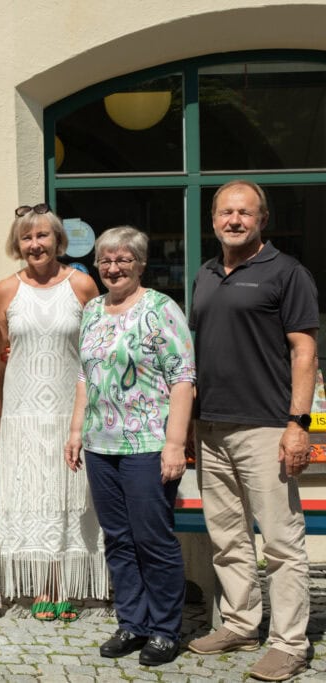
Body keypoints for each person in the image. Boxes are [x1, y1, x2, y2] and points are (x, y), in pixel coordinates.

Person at [187, 180, 319, 682]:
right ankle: (241, 622)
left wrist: (297, 424)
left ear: (262, 219)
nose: (234, 220)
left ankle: (290, 643)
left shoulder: (287, 273)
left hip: (266, 426)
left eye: (245, 212)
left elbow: (303, 352)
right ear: (214, 219)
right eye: (226, 212)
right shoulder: (204, 274)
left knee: (282, 543)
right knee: (227, 537)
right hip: (212, 425)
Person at [64, 226, 194, 666]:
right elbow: (87, 374)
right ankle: (132, 622)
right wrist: (77, 430)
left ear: (140, 264)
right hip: (101, 445)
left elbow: (183, 378)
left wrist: (175, 443)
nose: (113, 267)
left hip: (147, 444)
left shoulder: (161, 308)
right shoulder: (93, 310)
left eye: (123, 260)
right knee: (117, 539)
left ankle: (164, 629)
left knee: (152, 538)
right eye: (105, 260)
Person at [0, 203, 105, 623]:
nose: (35, 244)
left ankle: (65, 584)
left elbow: (95, 353)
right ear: (17, 244)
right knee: (31, 495)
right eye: (27, 237)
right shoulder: (6, 289)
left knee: (67, 496)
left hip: (68, 412)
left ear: (58, 240)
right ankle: (41, 583)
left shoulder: (82, 285)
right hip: (22, 413)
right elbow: (1, 357)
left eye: (42, 236)